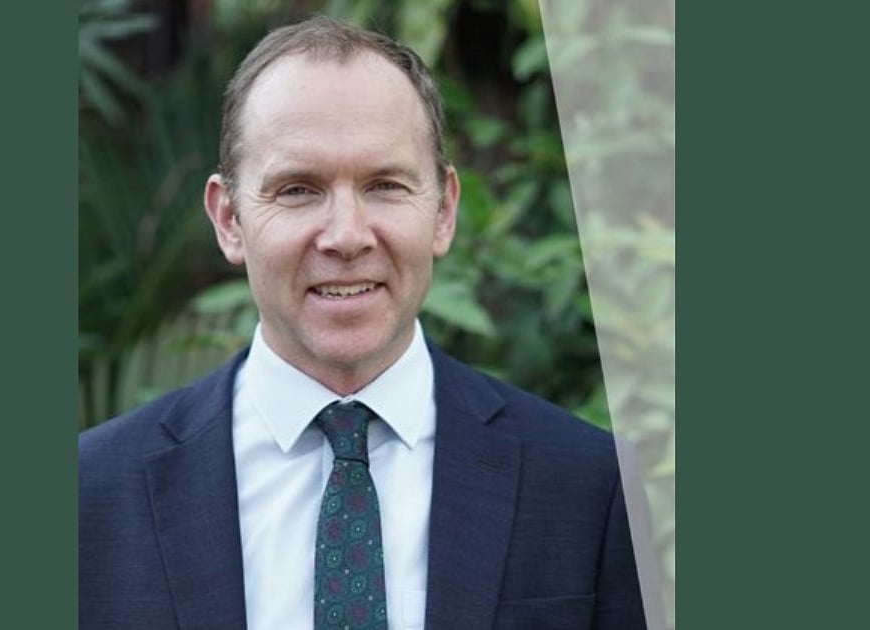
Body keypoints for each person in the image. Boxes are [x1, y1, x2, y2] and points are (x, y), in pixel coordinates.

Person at [79, 16, 647, 630]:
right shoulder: (89, 496)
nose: (347, 236)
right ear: (229, 219)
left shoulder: (587, 487)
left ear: (444, 211)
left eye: (385, 185)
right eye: (298, 190)